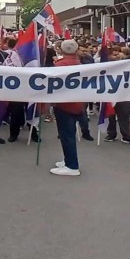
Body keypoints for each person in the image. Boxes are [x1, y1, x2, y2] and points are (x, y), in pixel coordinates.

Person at [48, 39, 85, 176]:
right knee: (68, 134)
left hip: (64, 104)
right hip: (77, 103)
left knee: (67, 135)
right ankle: (68, 159)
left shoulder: (60, 66)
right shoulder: (79, 64)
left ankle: (72, 166)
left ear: (61, 50)